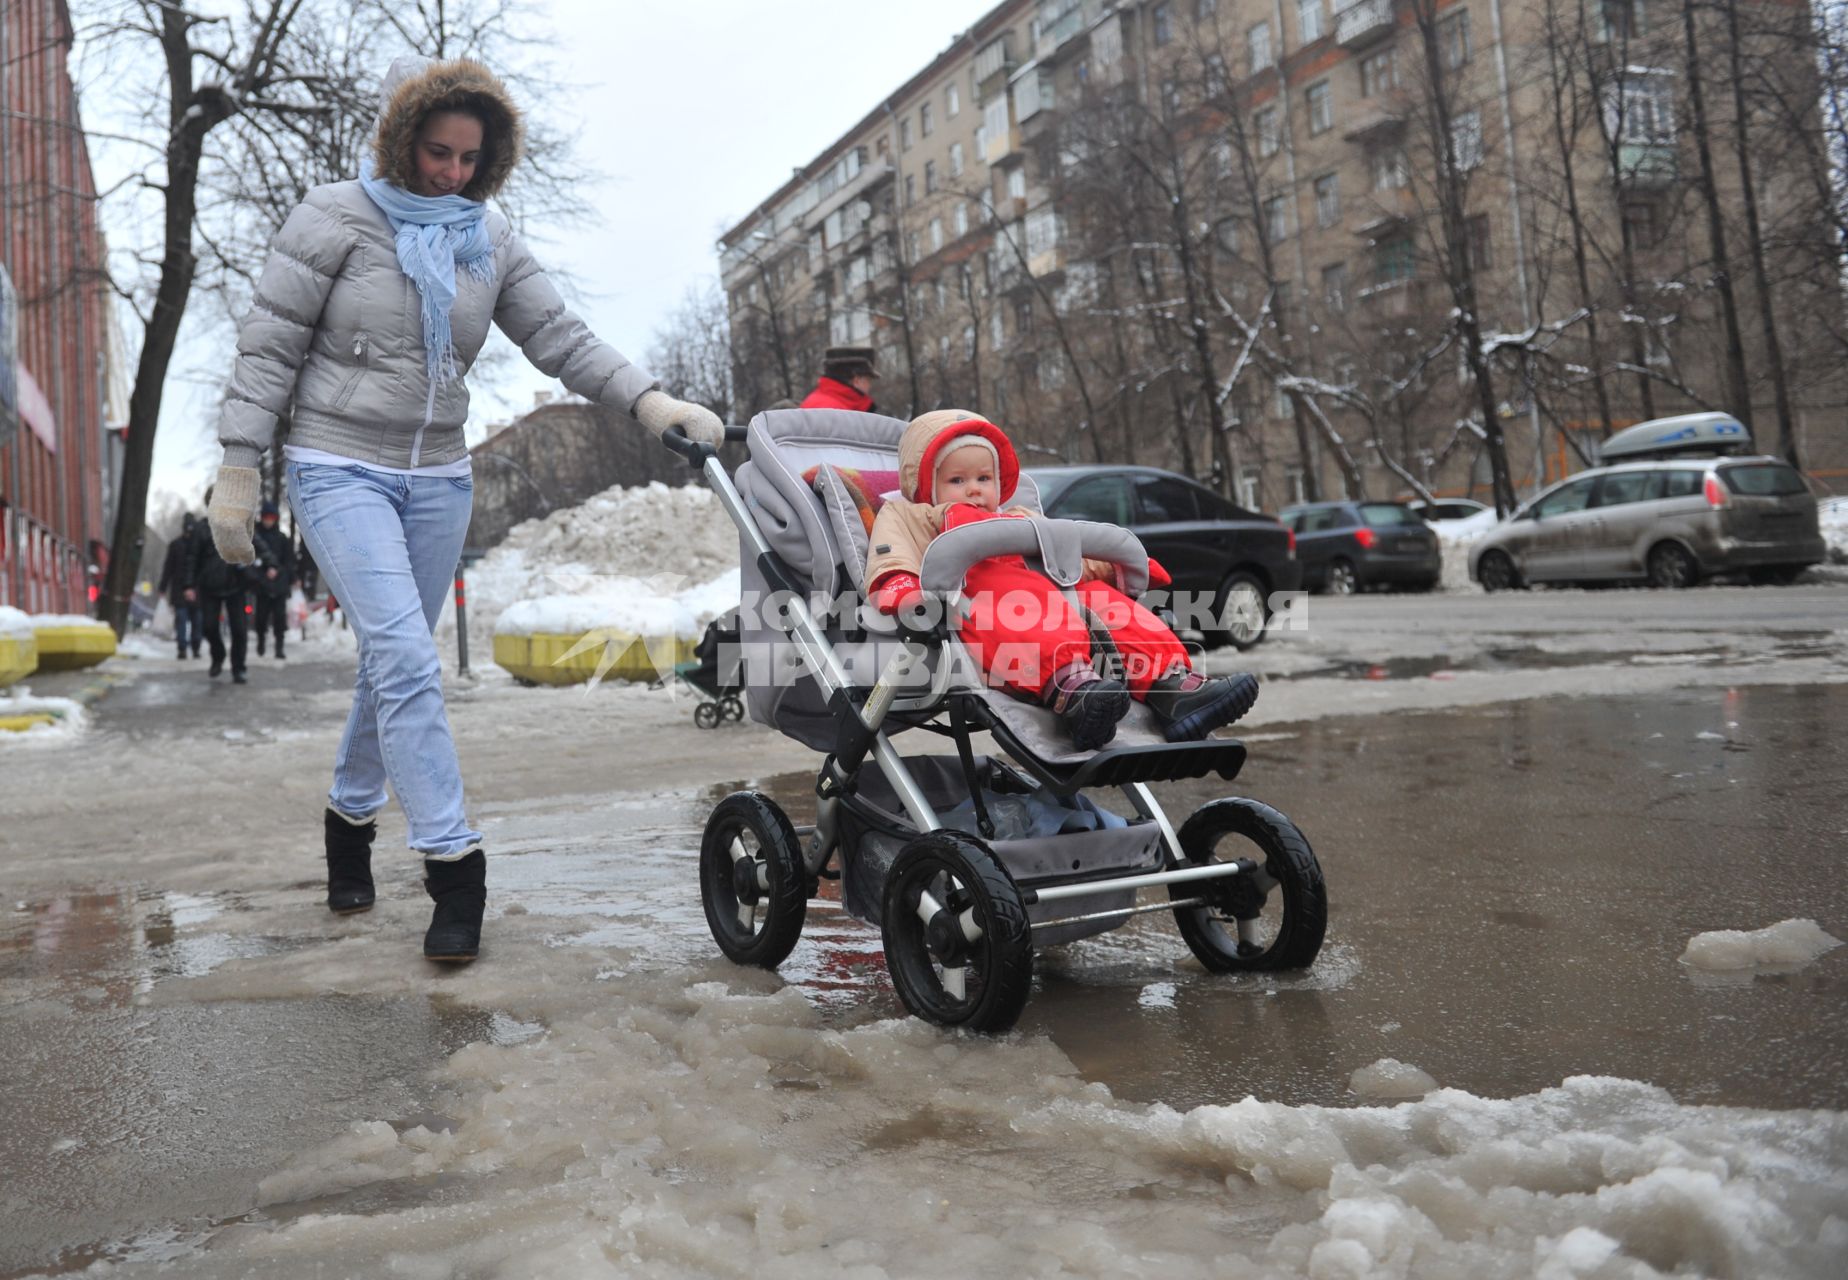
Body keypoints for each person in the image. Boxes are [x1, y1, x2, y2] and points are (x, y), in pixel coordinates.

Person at [203, 56, 723, 964]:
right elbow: (269, 348)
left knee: (389, 660)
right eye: (436, 153)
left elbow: (560, 337)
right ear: (400, 140)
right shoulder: (330, 218)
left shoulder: (486, 236)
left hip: (438, 475)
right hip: (338, 465)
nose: (451, 173)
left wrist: (654, 403)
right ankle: (454, 863)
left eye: (469, 159)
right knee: (407, 656)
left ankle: (347, 818)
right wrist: (239, 466)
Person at [865, 411, 1259, 750]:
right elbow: (891, 552)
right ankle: (1073, 693)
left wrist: (1108, 566)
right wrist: (901, 586)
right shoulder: (912, 516)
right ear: (925, 486)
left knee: (1102, 600)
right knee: (1020, 602)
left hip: (1049, 596)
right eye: (957, 480)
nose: (974, 489)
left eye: (984, 478)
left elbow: (1065, 561)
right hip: (974, 605)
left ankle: (1171, 686)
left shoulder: (1018, 517)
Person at [186, 486, 250, 684]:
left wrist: (270, 563)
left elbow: (256, 545)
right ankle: (218, 655)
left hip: (236, 586)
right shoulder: (200, 529)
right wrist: (188, 585)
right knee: (209, 627)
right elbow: (192, 558)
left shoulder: (237, 525)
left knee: (239, 630)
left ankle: (238, 668)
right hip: (209, 587)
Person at [250, 501, 294, 659]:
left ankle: (279, 647)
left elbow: (289, 561)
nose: (269, 520)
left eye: (271, 517)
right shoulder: (256, 538)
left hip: (279, 584)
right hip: (262, 584)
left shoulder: (282, 538)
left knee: (279, 618)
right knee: (261, 617)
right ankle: (261, 640)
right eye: (266, 517)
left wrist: (281, 573)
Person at [157, 514, 204, 659]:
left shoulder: (198, 545)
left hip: (194, 590)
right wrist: (163, 587)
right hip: (182, 590)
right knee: (184, 619)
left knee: (195, 620)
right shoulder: (176, 545)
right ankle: (184, 647)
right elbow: (168, 567)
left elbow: (168, 568)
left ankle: (193, 647)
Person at [798, 346, 879, 412]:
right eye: (868, 380)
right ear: (856, 380)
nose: (869, 386)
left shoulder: (824, 404)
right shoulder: (833, 411)